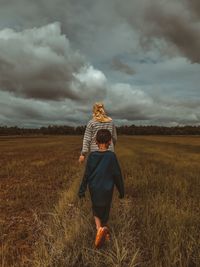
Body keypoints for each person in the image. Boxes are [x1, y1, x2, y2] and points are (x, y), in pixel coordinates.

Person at [78, 129, 124, 248]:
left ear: (96, 141)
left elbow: (86, 175)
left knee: (96, 209)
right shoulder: (111, 156)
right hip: (107, 189)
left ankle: (99, 229)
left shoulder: (92, 156)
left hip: (94, 188)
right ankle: (104, 231)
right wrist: (121, 191)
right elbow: (117, 175)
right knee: (105, 210)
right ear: (110, 142)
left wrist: (81, 190)